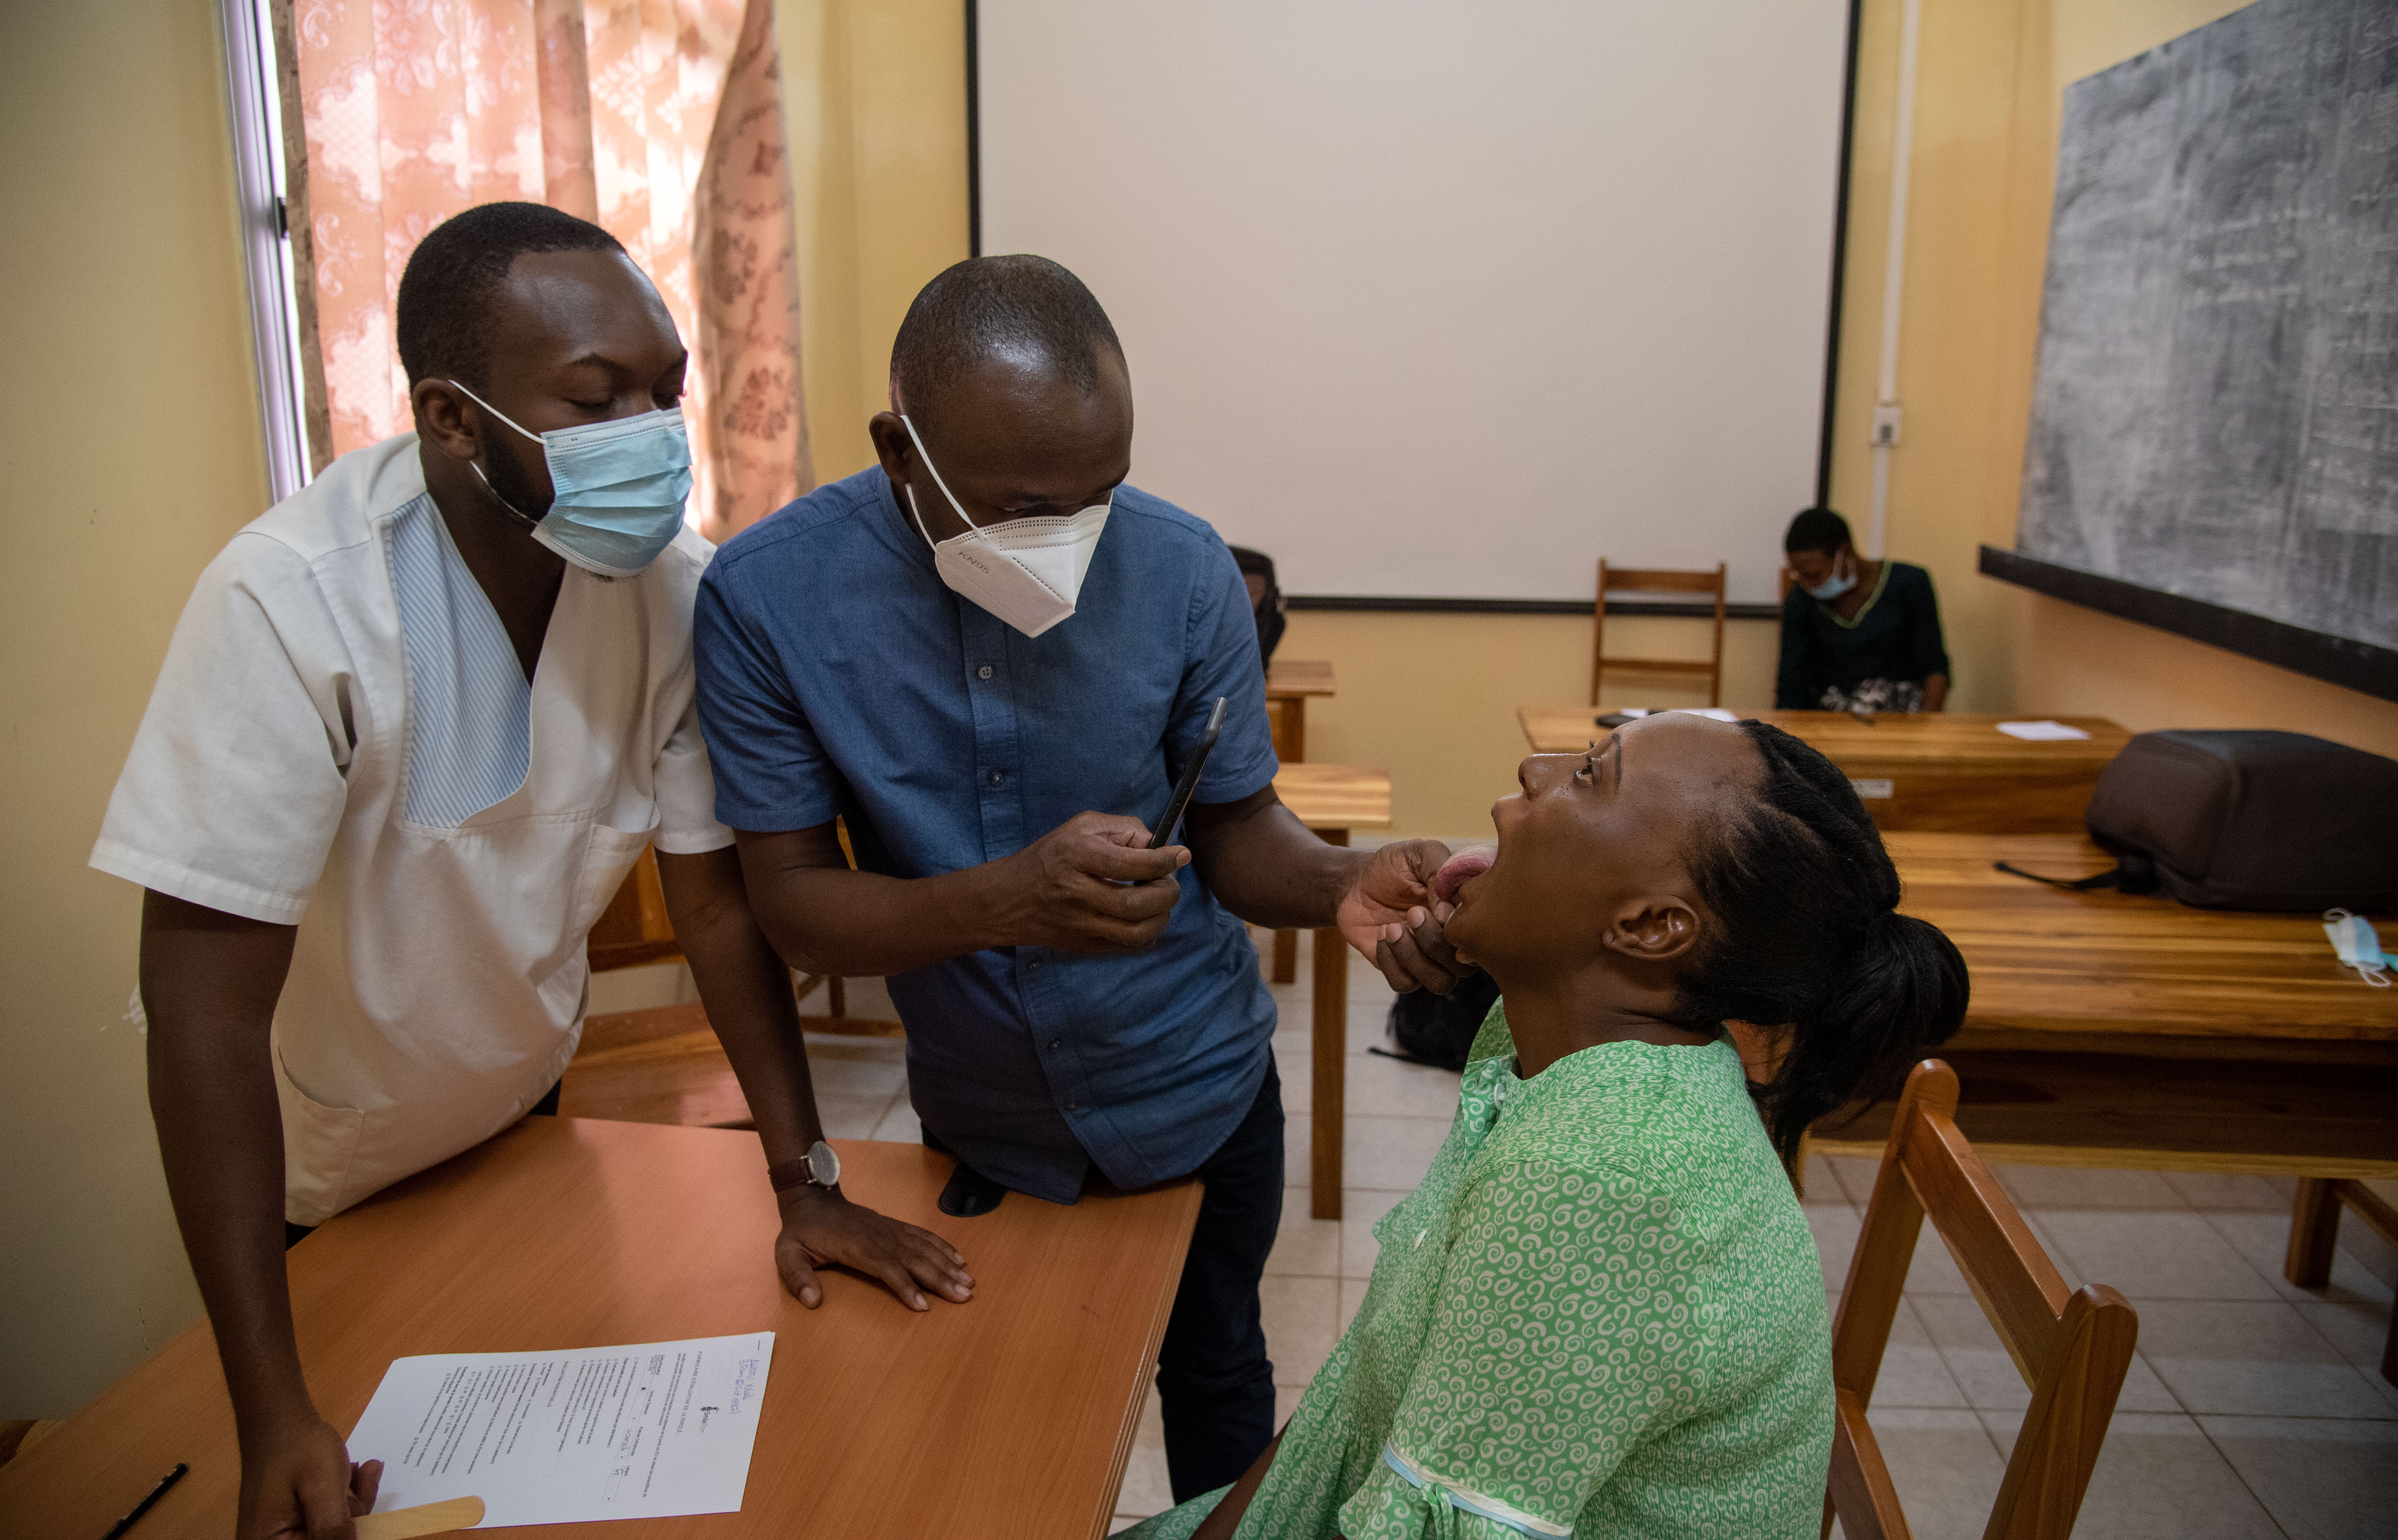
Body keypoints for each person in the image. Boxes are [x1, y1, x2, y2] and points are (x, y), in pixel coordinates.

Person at [90, 203, 961, 1540]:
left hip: (516, 1124)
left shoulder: (670, 591)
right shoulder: (291, 604)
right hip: (320, 1167)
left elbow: (713, 900)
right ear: (450, 417)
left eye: (666, 389)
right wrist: (273, 1410)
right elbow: (201, 1009)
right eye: (598, 396)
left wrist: (806, 1184)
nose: (655, 434)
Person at [691, 254, 1466, 1501]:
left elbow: (1236, 830)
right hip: (984, 1114)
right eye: (1022, 505)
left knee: (1219, 1380)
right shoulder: (767, 598)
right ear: (902, 452)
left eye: (1096, 498)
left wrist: (1341, 879)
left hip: (1200, 1091)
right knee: (1008, 1408)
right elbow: (788, 905)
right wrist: (1007, 900)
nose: (1069, 541)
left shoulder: (1181, 566)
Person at [1130, 711, 1970, 1540]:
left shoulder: (1600, 1177)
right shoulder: (1560, 1043)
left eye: (1589, 775)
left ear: (1647, 927)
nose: (1534, 770)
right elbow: (1364, 1395)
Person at [1777, 507, 1951, 713]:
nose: (1808, 584)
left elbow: (1934, 669)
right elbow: (1791, 686)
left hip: (1901, 718)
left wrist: (1924, 728)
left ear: (1846, 553)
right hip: (1829, 722)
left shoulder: (1910, 584)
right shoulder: (1801, 601)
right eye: (1799, 576)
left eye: (1815, 575)